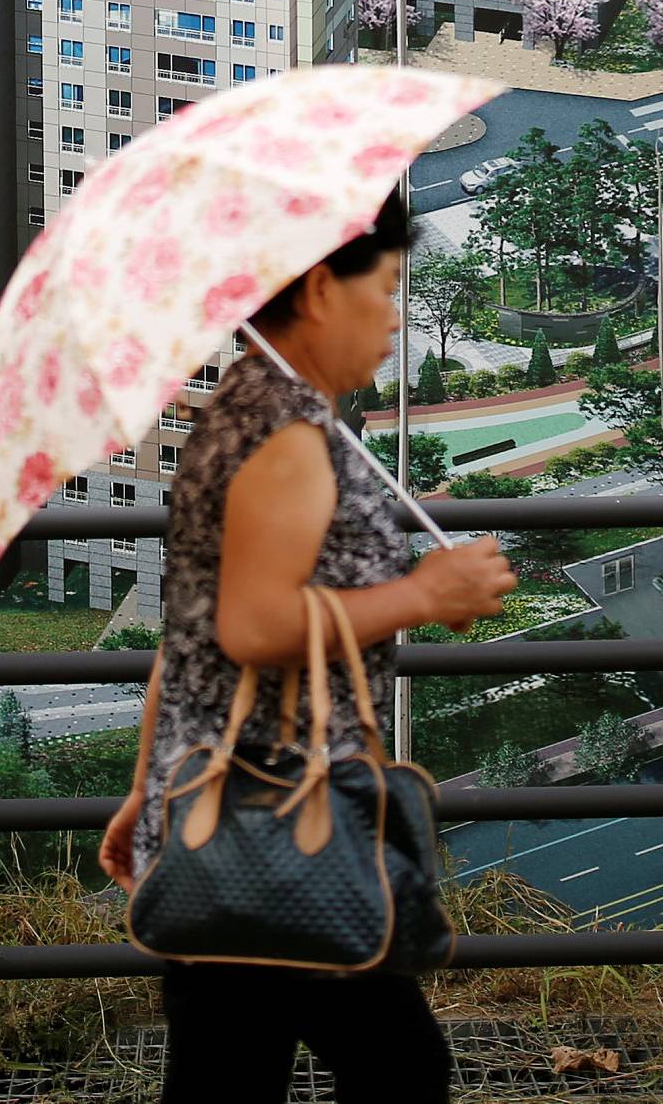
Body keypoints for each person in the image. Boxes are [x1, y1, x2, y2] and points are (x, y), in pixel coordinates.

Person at [98, 189, 516, 1103]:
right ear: (323, 289)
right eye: (389, 285)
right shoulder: (286, 438)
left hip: (216, 808)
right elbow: (250, 628)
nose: (396, 315)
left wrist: (146, 787)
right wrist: (424, 593)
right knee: (401, 1074)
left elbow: (189, 637)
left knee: (227, 1076)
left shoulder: (245, 409)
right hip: (282, 818)